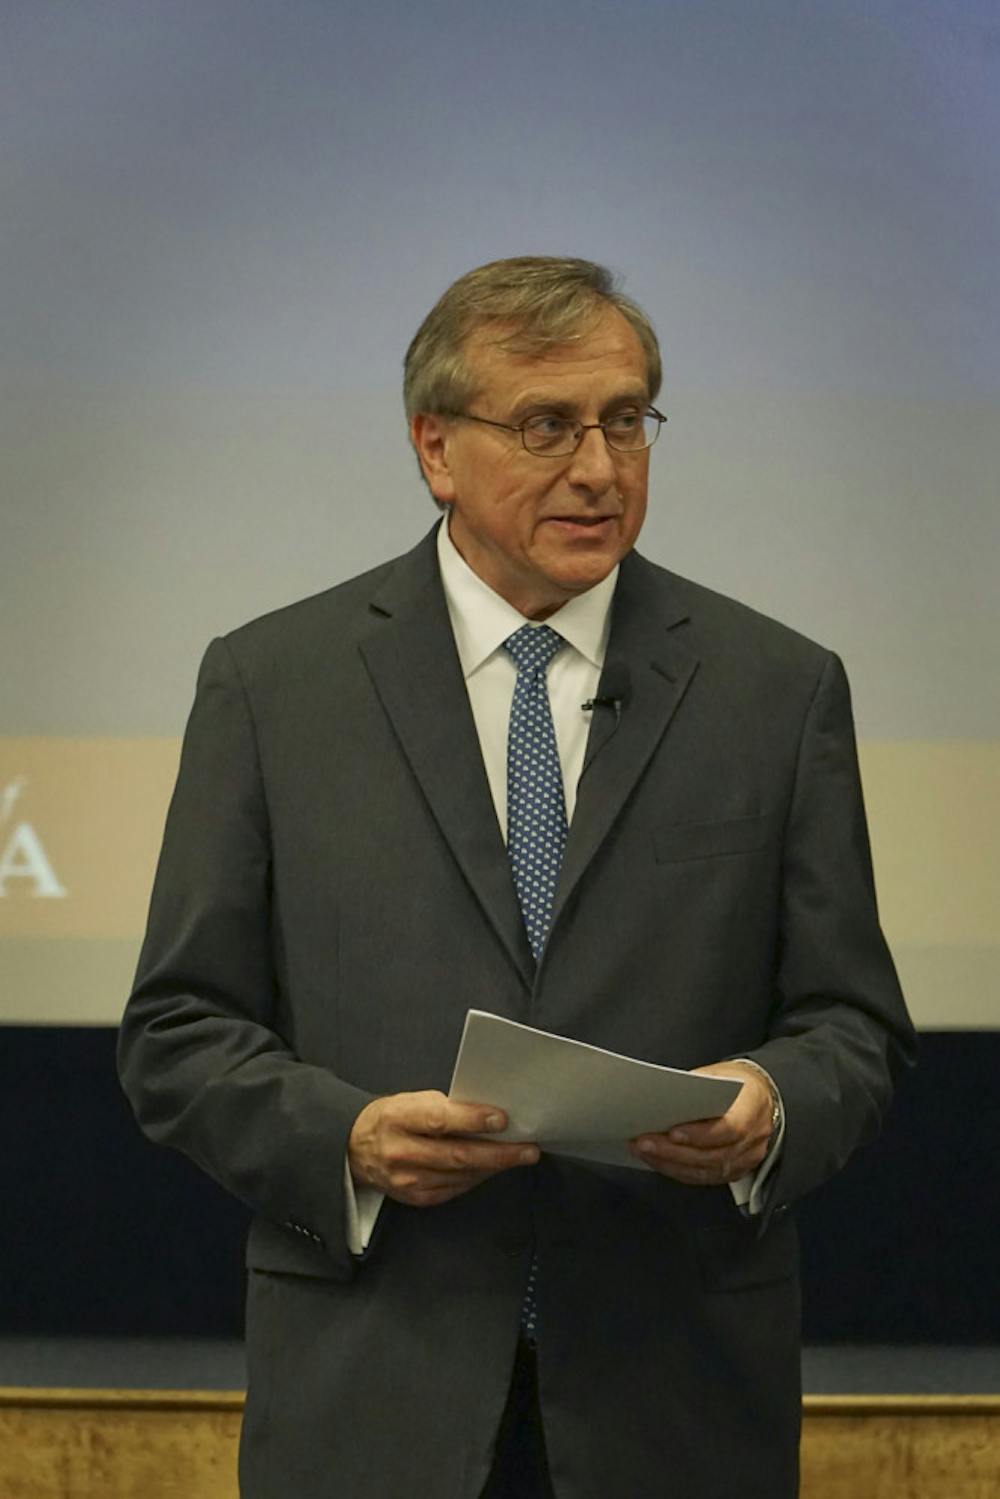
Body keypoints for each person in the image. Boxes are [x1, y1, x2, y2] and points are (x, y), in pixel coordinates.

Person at [118, 256, 915, 1499]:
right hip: (375, 1391)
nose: (599, 466)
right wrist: (348, 1137)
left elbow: (853, 1023)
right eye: (549, 425)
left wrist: (768, 1101)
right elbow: (176, 1030)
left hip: (679, 1399)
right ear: (436, 448)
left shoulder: (778, 689)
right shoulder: (275, 686)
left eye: (626, 418)